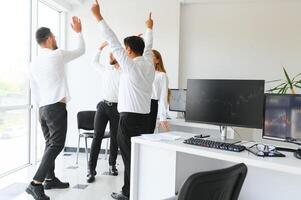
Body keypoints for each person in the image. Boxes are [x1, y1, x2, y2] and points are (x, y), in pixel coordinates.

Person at [91, 1, 155, 199]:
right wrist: (149, 28)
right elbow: (149, 45)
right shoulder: (149, 63)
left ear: (128, 51)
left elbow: (113, 41)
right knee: (137, 158)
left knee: (128, 159)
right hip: (145, 118)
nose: (122, 51)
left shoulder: (132, 67)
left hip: (129, 120)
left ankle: (128, 193)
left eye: (125, 49)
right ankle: (136, 190)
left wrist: (98, 17)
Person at [26, 17, 85, 200]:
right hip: (55, 109)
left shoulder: (33, 63)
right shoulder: (57, 54)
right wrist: (78, 32)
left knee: (49, 144)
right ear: (50, 38)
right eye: (54, 36)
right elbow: (81, 50)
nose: (56, 39)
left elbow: (33, 89)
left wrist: (40, 109)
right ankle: (36, 183)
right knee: (56, 145)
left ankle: (50, 179)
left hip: (42, 110)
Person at [87, 41, 121, 183]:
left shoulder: (124, 71)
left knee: (115, 137)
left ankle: (112, 164)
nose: (110, 55)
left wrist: (124, 49)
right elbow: (94, 62)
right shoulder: (106, 70)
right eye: (110, 53)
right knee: (97, 136)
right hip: (103, 106)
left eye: (113, 53)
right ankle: (91, 169)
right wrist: (100, 48)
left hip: (117, 108)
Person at [149, 49, 170, 133]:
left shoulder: (161, 75)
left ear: (157, 60)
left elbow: (163, 97)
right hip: (140, 105)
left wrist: (162, 117)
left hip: (151, 105)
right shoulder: (143, 73)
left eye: (151, 56)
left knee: (147, 135)